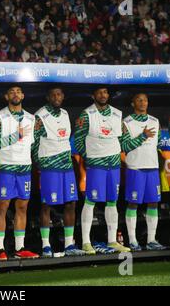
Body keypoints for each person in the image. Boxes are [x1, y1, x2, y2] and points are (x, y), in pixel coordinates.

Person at [74, 86, 131, 254]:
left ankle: (112, 241)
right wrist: (89, 157)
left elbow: (123, 138)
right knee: (91, 200)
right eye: (99, 92)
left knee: (112, 201)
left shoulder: (117, 114)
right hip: (96, 164)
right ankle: (86, 242)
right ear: (93, 96)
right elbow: (78, 139)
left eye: (105, 92)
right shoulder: (86, 114)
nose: (103, 95)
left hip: (113, 164)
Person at [33, 87, 85, 257]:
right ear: (48, 97)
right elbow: (34, 143)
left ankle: (69, 244)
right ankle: (46, 245)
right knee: (46, 204)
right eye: (53, 94)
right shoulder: (40, 115)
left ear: (63, 96)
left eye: (59, 94)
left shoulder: (64, 113)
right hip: (49, 165)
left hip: (66, 165)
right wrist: (39, 164)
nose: (56, 97)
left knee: (71, 203)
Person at [0, 85, 39, 260]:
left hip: (24, 166)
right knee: (2, 206)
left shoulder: (31, 118)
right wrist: (15, 135)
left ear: (23, 95)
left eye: (18, 91)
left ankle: (20, 247)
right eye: (11, 91)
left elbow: (33, 144)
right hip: (6, 165)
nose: (15, 94)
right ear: (6, 96)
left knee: (22, 206)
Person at [122, 93, 166, 251]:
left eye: (145, 100)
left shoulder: (155, 121)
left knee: (153, 203)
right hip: (136, 168)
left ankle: (151, 240)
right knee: (133, 203)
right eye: (139, 100)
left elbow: (159, 143)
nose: (143, 102)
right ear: (133, 103)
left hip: (152, 169)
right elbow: (125, 146)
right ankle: (133, 241)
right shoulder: (127, 122)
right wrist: (143, 136)